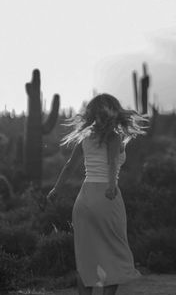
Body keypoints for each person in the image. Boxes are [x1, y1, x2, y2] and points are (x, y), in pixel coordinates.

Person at [46, 93, 148, 295]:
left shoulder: (85, 137)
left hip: (83, 200)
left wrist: (56, 190)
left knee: (86, 258)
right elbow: (111, 163)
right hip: (105, 197)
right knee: (114, 252)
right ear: (114, 111)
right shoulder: (114, 136)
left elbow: (68, 167)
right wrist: (111, 186)